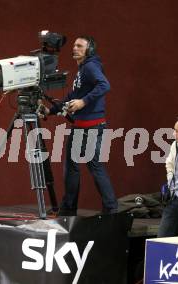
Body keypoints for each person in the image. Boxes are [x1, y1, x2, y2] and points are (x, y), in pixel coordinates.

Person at [40, 35, 118, 215]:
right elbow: (71, 97)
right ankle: (70, 209)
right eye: (74, 45)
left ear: (89, 50)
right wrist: (50, 111)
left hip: (91, 127)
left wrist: (83, 102)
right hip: (82, 126)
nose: (74, 48)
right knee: (74, 167)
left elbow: (104, 85)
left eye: (79, 46)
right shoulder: (83, 69)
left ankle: (111, 209)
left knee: (92, 166)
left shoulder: (90, 66)